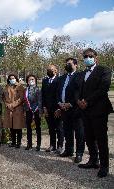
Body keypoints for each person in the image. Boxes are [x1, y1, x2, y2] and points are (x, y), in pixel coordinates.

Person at [76, 48, 113, 178]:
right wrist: (79, 101)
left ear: (95, 57)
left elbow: (103, 88)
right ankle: (93, 160)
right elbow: (77, 90)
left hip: (99, 110)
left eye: (90, 56)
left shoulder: (104, 70)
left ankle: (104, 166)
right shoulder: (81, 73)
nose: (87, 58)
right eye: (85, 56)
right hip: (84, 110)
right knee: (89, 137)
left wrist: (87, 101)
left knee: (101, 138)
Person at [56, 58, 85, 163]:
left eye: (70, 64)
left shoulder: (80, 76)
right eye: (66, 64)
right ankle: (69, 150)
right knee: (67, 131)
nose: (67, 65)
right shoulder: (62, 78)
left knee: (79, 132)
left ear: (76, 65)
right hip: (63, 108)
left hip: (76, 109)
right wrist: (60, 103)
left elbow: (81, 92)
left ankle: (79, 153)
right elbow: (58, 92)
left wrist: (71, 103)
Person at [41, 65, 64, 154]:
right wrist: (44, 107)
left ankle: (60, 146)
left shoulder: (59, 80)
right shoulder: (45, 81)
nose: (49, 71)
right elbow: (43, 95)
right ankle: (52, 145)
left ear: (56, 71)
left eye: (51, 70)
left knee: (59, 128)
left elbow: (61, 95)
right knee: (51, 128)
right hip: (47, 109)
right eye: (48, 70)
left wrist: (59, 108)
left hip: (57, 109)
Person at [3, 74, 25, 149]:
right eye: (10, 78)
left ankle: (18, 143)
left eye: (13, 78)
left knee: (18, 127)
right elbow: (3, 97)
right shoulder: (6, 87)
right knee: (11, 126)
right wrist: (7, 104)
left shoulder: (20, 87)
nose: (12, 79)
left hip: (17, 109)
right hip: (9, 109)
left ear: (16, 79)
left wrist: (12, 105)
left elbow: (21, 98)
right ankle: (13, 142)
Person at [24, 74, 42, 151]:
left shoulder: (38, 89)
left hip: (36, 111)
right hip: (28, 110)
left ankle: (38, 144)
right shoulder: (26, 90)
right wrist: (24, 110)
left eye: (32, 79)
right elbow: (25, 101)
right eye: (29, 80)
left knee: (37, 128)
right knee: (29, 128)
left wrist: (39, 110)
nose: (31, 81)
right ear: (27, 81)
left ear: (35, 81)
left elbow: (40, 101)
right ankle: (29, 144)